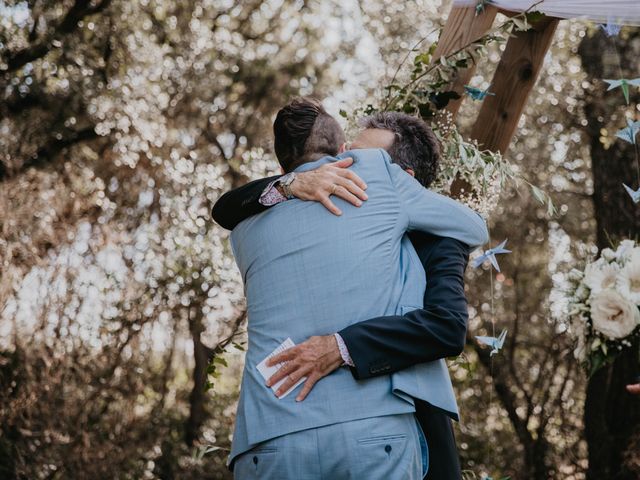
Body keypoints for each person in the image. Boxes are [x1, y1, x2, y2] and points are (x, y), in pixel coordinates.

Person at [218, 97, 488, 479]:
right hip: (370, 427)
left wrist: (290, 184)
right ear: (341, 153)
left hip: (266, 436)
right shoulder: (379, 176)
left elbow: (227, 209)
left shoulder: (244, 229)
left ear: (282, 165)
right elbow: (476, 227)